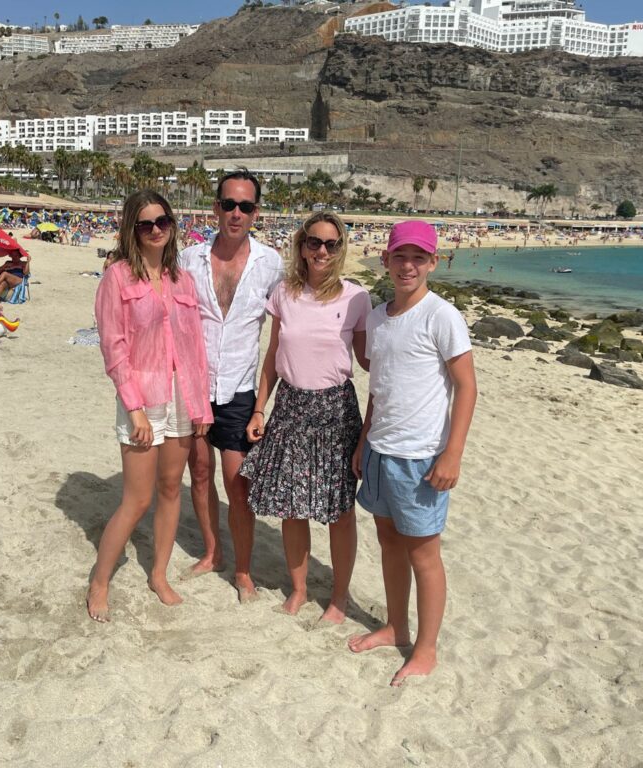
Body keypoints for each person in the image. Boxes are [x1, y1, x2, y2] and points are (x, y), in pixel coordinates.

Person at [348, 220, 477, 687]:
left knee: (424, 554)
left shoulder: (442, 316)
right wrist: (364, 440)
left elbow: (466, 387)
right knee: (388, 543)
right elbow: (379, 389)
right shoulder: (379, 317)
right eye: (400, 256)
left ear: (432, 264)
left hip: (422, 457)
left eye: (418, 258)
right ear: (385, 259)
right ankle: (396, 626)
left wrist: (453, 453)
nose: (408, 266)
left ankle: (425, 649)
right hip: (381, 449)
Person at [88, 190, 213, 622]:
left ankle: (158, 574)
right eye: (146, 224)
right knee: (137, 499)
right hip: (142, 397)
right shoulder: (117, 279)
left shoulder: (184, 281)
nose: (156, 229)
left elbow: (195, 348)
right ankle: (100, 580)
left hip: (182, 396)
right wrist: (134, 407)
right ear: (132, 230)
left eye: (163, 221)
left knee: (169, 490)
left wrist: (201, 408)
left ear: (173, 225)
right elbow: (113, 347)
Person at [240, 212, 371, 623]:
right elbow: (274, 357)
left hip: (336, 412)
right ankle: (298, 589)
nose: (322, 251)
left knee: (338, 509)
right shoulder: (284, 293)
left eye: (331, 245)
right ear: (301, 246)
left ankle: (338, 598)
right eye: (314, 242)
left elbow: (371, 362)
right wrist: (260, 407)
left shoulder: (356, 298)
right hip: (291, 408)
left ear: (340, 249)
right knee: (292, 506)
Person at [178, 169, 284, 601]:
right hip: (195, 386)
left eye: (245, 206)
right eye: (228, 204)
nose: (235, 213)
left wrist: (262, 404)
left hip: (240, 389)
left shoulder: (271, 263)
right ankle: (213, 552)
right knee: (199, 474)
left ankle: (242, 570)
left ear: (255, 212)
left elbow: (282, 333)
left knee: (238, 484)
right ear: (215, 207)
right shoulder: (189, 259)